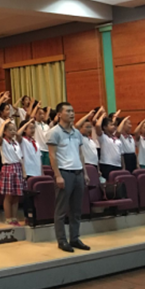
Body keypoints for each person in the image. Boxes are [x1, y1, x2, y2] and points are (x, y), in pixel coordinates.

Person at [47, 102, 91, 253]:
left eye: (73, 111)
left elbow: (80, 154)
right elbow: (52, 156)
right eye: (68, 111)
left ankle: (75, 238)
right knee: (61, 210)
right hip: (64, 173)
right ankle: (62, 240)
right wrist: (57, 175)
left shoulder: (77, 133)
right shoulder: (54, 132)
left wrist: (85, 173)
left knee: (76, 209)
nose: (72, 114)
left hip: (78, 172)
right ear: (59, 114)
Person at [0, 119, 25, 226]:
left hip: (18, 167)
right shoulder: (3, 142)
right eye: (10, 130)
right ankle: (8, 218)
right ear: (5, 131)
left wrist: (24, 171)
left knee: (16, 195)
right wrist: (3, 123)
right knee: (9, 196)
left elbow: (21, 158)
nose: (13, 132)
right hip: (8, 168)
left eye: (14, 129)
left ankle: (14, 218)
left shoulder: (15, 142)